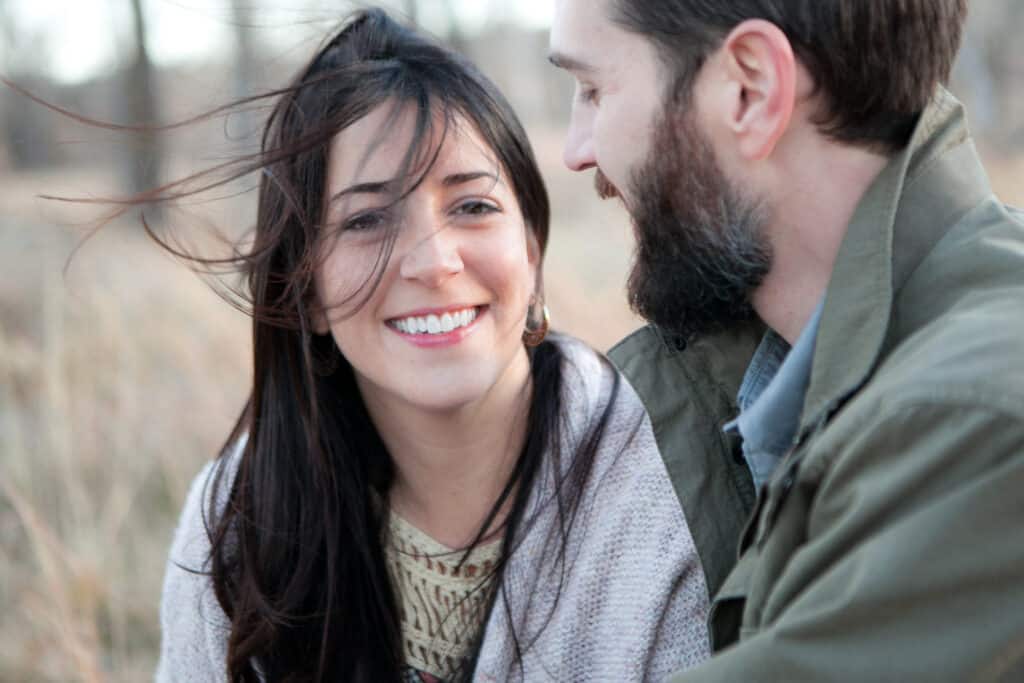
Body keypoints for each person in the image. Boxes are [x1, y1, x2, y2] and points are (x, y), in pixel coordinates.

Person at [155, 8, 713, 682]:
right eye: (366, 220)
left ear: (530, 250)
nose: (434, 261)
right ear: (305, 292)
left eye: (472, 206)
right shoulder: (240, 519)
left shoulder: (663, 491)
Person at [549, 0, 1024, 680]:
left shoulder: (977, 420)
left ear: (751, 90)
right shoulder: (777, 379)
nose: (576, 151)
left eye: (593, 90)